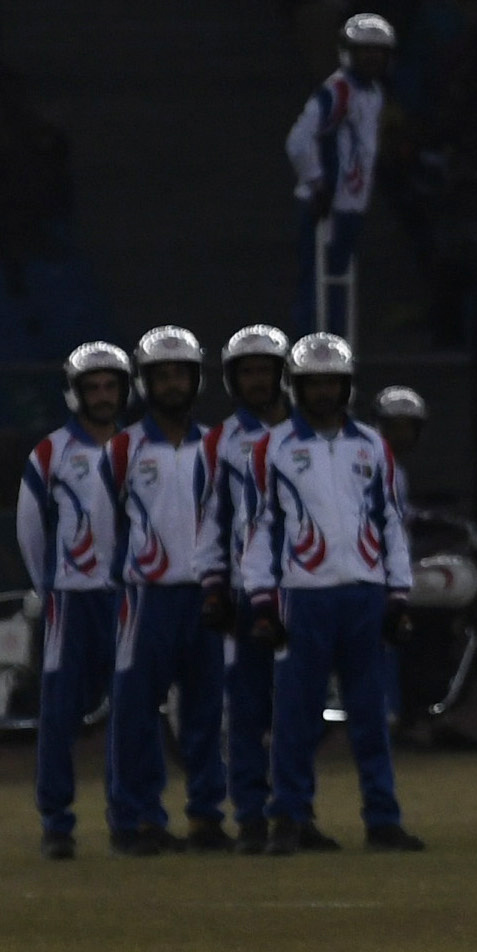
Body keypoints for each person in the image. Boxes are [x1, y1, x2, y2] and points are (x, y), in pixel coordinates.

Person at [247, 331, 423, 853]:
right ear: (297, 386)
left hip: (365, 595)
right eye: (313, 382)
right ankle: (289, 818)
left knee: (371, 714)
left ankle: (382, 819)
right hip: (303, 596)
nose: (324, 392)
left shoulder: (372, 446)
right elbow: (260, 528)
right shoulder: (274, 447)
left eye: (332, 382)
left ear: (347, 386)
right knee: (295, 717)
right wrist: (262, 600)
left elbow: (392, 523)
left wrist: (399, 595)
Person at [103, 327, 225, 854]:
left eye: (181, 373)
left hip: (208, 597)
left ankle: (206, 818)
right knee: (135, 712)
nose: (173, 383)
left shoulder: (221, 448)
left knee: (206, 713)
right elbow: (100, 527)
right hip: (147, 596)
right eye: (162, 374)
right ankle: (137, 821)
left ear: (197, 379)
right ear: (144, 382)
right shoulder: (122, 448)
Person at [14, 342, 133, 861]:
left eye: (111, 386)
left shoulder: (140, 448)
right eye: (93, 387)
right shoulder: (51, 452)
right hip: (72, 600)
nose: (103, 395)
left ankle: (127, 818)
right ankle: (57, 822)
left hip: (129, 598)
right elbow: (28, 528)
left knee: (129, 713)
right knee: (60, 714)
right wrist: (51, 587)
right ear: (75, 392)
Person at [201, 324, 294, 844]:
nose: (259, 380)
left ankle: (293, 812)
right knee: (246, 707)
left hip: (308, 586)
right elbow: (210, 518)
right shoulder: (221, 441)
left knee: (298, 710)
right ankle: (252, 815)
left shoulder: (311, 432)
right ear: (233, 379)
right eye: (249, 371)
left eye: (266, 370)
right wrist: (213, 584)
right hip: (245, 589)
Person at [285, 12, 392, 338]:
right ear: (349, 51)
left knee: (338, 285)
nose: (373, 56)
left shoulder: (373, 93)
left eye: (379, 50)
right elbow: (299, 140)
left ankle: (339, 352)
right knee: (317, 286)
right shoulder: (339, 91)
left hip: (350, 204)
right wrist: (317, 183)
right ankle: (312, 353)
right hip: (327, 203)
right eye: (365, 49)